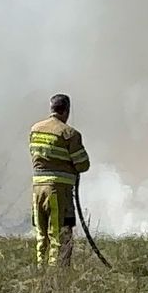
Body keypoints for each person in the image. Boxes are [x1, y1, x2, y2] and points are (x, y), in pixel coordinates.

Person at [29, 93, 90, 267]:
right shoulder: (69, 133)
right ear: (67, 110)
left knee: (41, 234)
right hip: (57, 191)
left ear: (51, 108)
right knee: (59, 234)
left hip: (37, 189)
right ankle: (56, 273)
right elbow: (83, 164)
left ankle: (40, 268)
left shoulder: (35, 129)